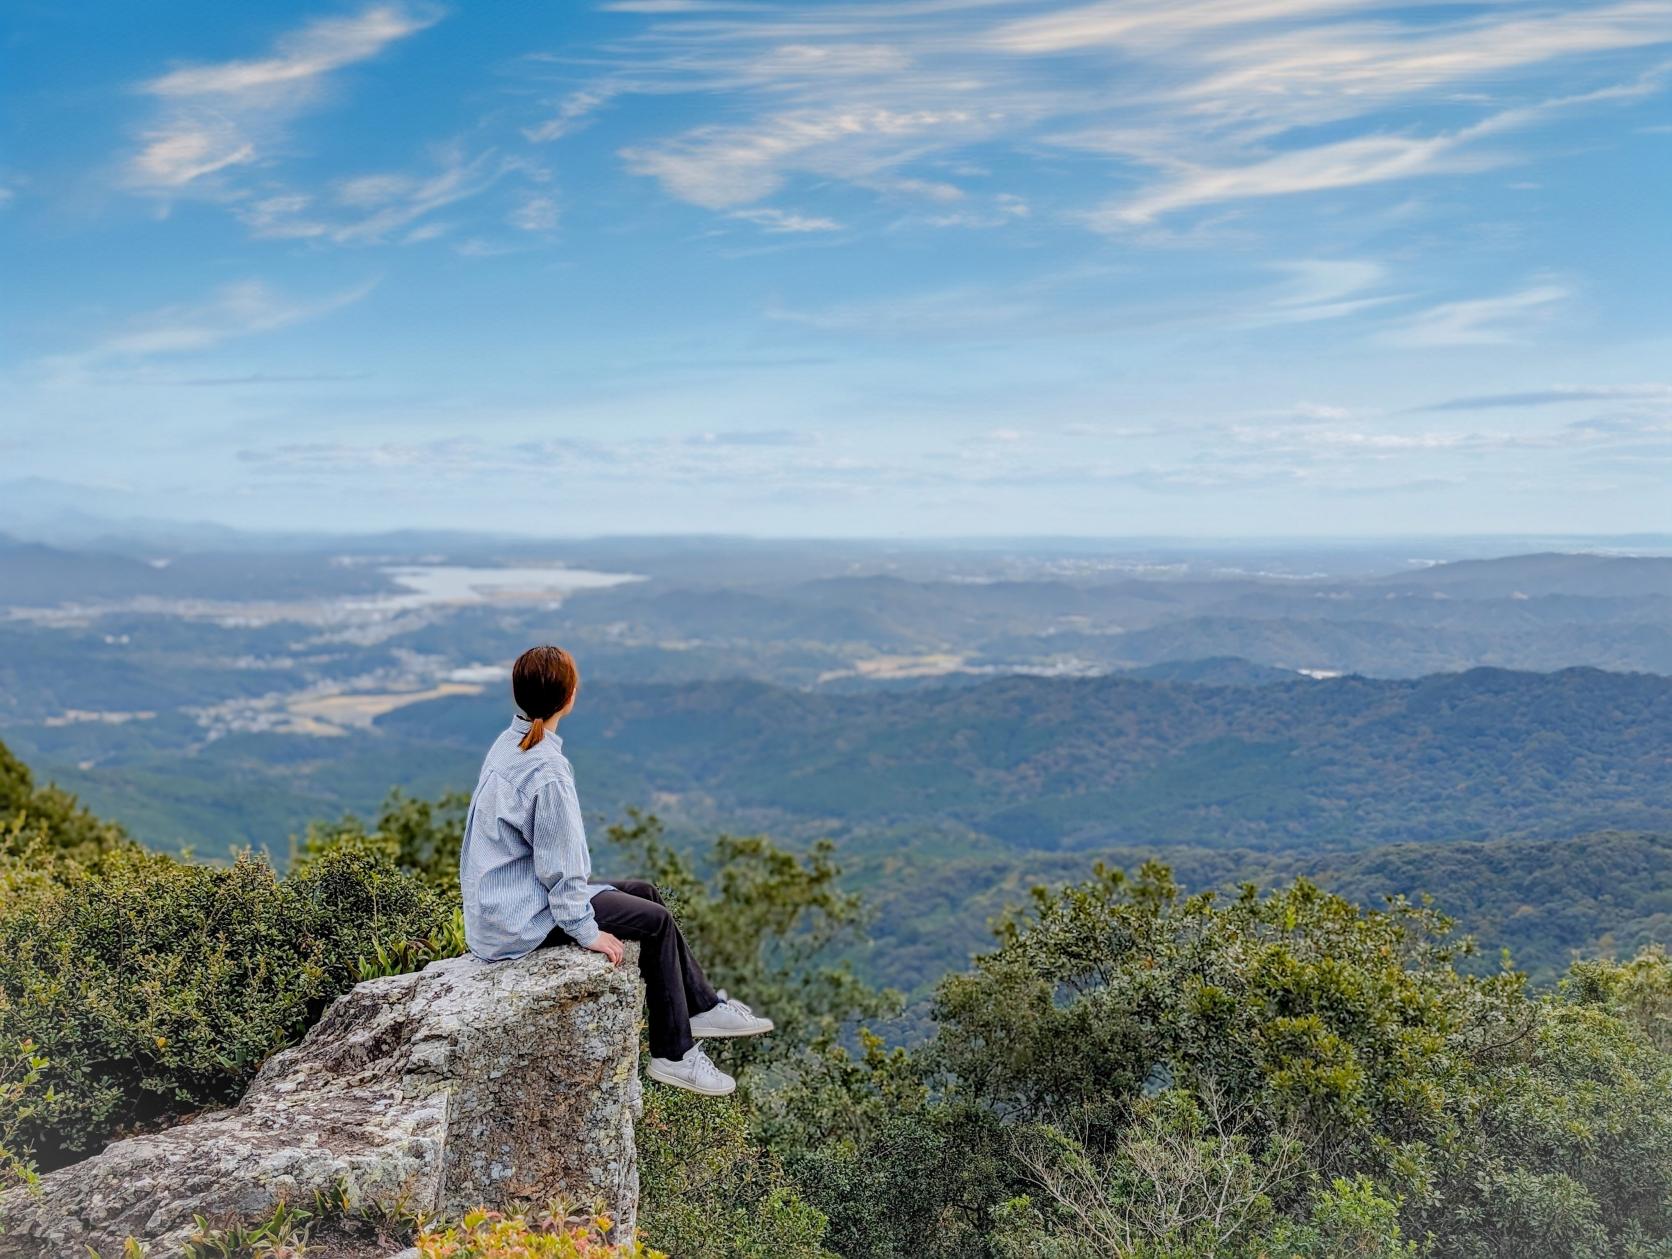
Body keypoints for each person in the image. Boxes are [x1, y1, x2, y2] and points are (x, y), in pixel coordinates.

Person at [460, 644, 772, 1096]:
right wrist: (585, 931)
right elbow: (561, 869)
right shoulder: (548, 769)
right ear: (570, 696)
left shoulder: (509, 743)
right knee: (657, 922)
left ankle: (701, 1006)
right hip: (518, 920)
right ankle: (674, 1056)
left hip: (498, 909)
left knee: (644, 892)